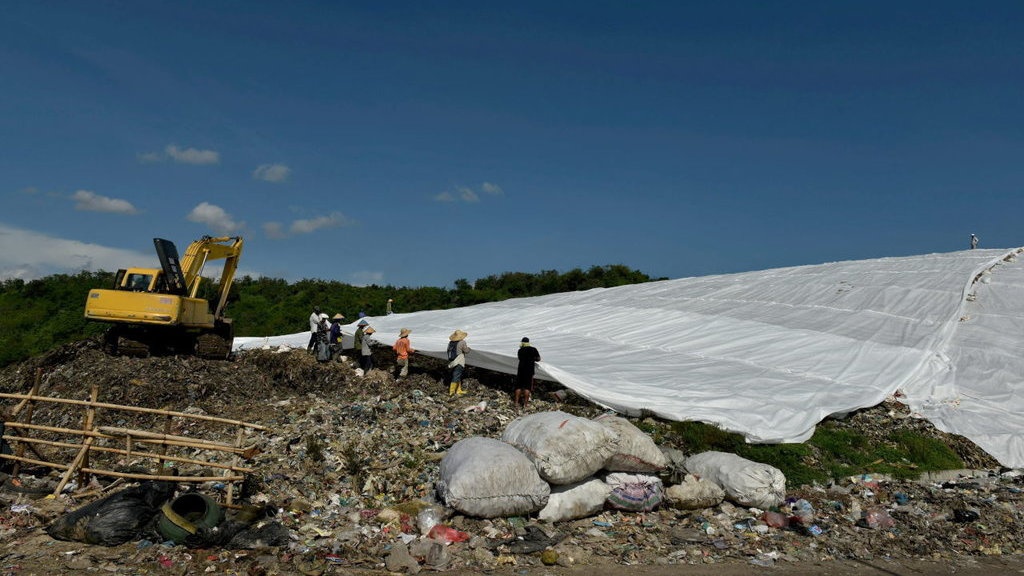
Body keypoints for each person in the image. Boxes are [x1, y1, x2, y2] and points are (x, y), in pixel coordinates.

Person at [515, 337, 542, 408]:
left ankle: (516, 403)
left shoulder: (520, 350)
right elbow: (538, 359)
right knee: (527, 387)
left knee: (519, 386)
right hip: (529, 371)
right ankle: (525, 404)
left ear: (522, 343)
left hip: (521, 370)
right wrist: (533, 359)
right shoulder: (533, 349)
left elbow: (520, 358)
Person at [446, 330, 470, 396]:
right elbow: (466, 351)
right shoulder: (462, 342)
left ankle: (458, 390)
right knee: (456, 376)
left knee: (457, 375)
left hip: (452, 361)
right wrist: (469, 349)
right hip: (459, 361)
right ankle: (452, 392)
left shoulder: (451, 343)